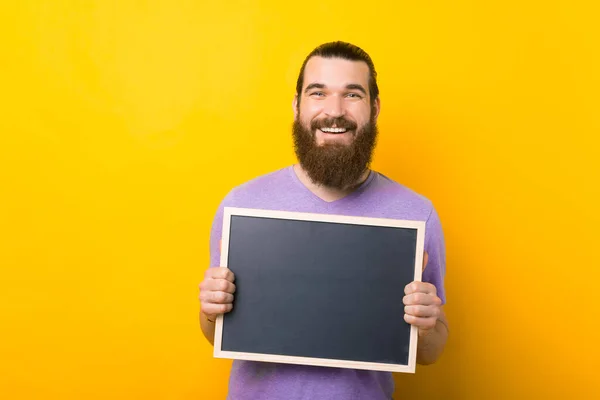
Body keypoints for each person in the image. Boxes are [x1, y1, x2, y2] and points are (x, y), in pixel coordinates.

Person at [199, 41, 448, 400]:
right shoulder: (243, 205)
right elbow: (217, 331)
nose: (335, 111)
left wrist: (426, 325)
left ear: (374, 108)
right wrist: (211, 310)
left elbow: (432, 350)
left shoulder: (416, 214)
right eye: (318, 93)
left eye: (352, 95)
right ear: (297, 105)